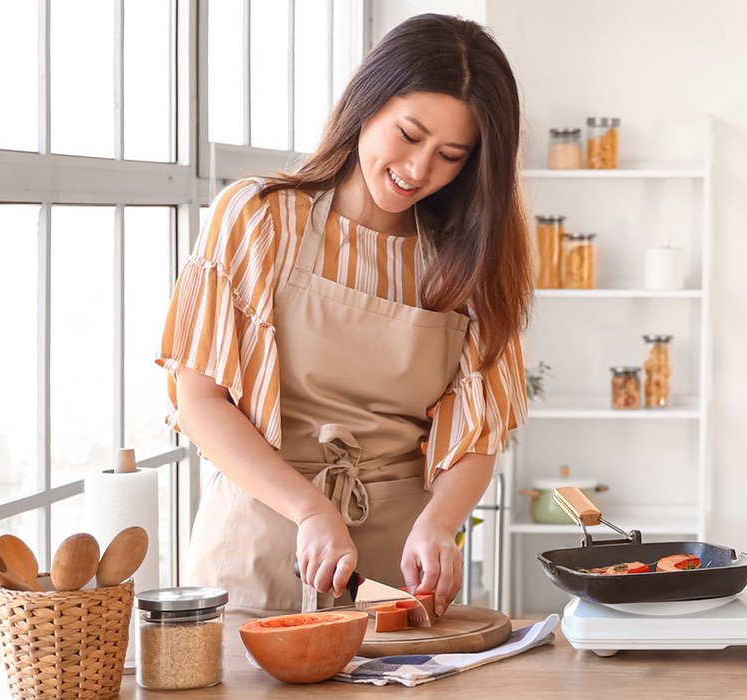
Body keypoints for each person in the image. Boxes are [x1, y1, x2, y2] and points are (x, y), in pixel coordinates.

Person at [156, 14, 531, 616]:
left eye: (450, 156)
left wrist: (441, 525)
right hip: (257, 541)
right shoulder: (257, 219)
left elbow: (477, 433)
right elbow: (199, 401)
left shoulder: (465, 263)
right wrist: (310, 508)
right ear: (368, 102)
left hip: (396, 567)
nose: (418, 169)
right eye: (409, 135)